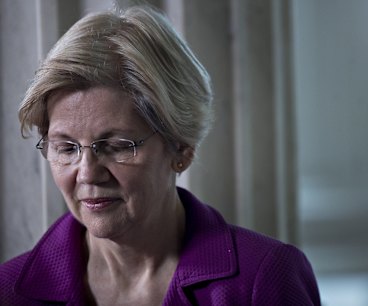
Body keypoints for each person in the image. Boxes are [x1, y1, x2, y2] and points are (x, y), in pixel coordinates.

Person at [0, 6, 320, 306]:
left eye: (116, 146)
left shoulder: (264, 278)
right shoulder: (8, 289)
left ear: (180, 147)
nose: (86, 174)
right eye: (66, 148)